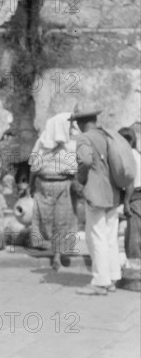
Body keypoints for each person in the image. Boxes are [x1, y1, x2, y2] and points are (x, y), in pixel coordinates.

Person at [71, 104, 122, 295]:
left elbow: (84, 160)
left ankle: (100, 282)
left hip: (96, 192)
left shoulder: (84, 138)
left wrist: (81, 178)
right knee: (110, 237)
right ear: (95, 120)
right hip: (113, 192)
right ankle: (111, 278)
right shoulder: (106, 135)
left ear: (79, 122)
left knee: (97, 236)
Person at [28, 112, 80, 271]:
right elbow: (34, 166)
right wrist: (31, 185)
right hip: (45, 185)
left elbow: (75, 168)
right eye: (69, 124)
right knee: (47, 220)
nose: (72, 127)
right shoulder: (43, 142)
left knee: (61, 220)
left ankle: (57, 255)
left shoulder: (71, 143)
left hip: (63, 185)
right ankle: (51, 249)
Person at [118, 127, 141, 266]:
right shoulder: (137, 154)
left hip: (135, 196)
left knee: (134, 236)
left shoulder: (128, 156)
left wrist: (125, 201)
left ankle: (135, 270)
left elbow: (130, 181)